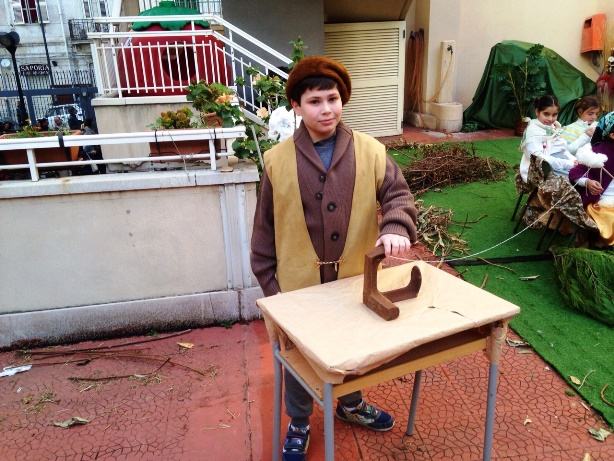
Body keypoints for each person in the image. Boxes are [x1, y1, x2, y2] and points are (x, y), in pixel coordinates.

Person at [250, 56, 417, 461]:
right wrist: (272, 288)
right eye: (314, 101)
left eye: (333, 99)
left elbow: (398, 195)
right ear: (296, 105)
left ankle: (351, 403)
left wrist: (396, 226)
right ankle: (299, 420)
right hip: (296, 287)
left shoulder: (371, 152)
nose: (326, 109)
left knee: (352, 345)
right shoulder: (276, 161)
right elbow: (264, 228)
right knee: (297, 355)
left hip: (353, 280)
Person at [569, 112, 614, 246]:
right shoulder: (598, 151)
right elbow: (575, 172)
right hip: (602, 201)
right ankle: (601, 243)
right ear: (612, 135)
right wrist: (588, 182)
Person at [519, 95, 577, 183]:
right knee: (577, 179)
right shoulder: (533, 131)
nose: (550, 119)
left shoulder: (553, 127)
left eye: (554, 115)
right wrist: (568, 164)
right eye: (546, 114)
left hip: (553, 165)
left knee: (581, 174)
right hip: (535, 172)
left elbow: (562, 149)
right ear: (537, 112)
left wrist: (573, 160)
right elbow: (537, 158)